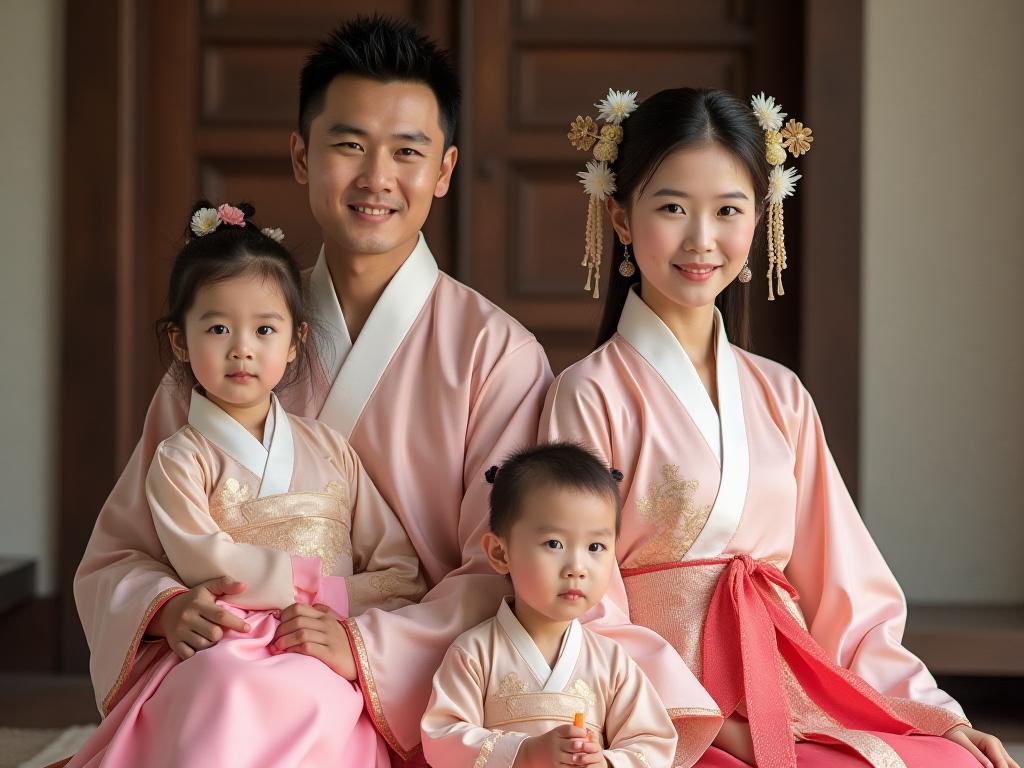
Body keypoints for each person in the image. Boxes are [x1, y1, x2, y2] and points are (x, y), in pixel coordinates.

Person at [73, 16, 552, 765]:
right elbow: (125, 550)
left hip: (393, 671)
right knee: (222, 699)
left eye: (407, 152)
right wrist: (165, 609)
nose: (376, 178)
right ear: (302, 155)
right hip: (227, 662)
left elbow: (504, 568)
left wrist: (362, 641)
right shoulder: (229, 336)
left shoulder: (496, 355)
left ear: (446, 170)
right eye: (349, 144)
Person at [542, 87, 1018, 767]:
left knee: (956, 762)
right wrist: (720, 726)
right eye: (672, 207)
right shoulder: (588, 394)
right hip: (667, 712)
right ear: (620, 216)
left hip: (791, 682)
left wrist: (936, 714)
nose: (702, 240)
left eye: (728, 211)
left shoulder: (779, 393)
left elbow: (845, 588)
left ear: (759, 220)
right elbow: (583, 605)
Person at [67, 201, 424, 766]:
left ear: (296, 339)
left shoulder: (331, 451)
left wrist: (330, 607)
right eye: (217, 328)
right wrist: (309, 584)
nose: (242, 348)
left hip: (314, 638)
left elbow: (399, 571)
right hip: (225, 640)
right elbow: (202, 556)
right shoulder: (181, 457)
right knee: (223, 684)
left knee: (321, 697)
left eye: (264, 328)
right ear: (180, 342)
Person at [421, 443, 679, 768]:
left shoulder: (613, 662)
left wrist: (609, 763)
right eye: (554, 543)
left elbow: (653, 744)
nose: (577, 566)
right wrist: (525, 753)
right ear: (501, 553)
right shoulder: (474, 653)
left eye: (596, 546)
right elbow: (441, 736)